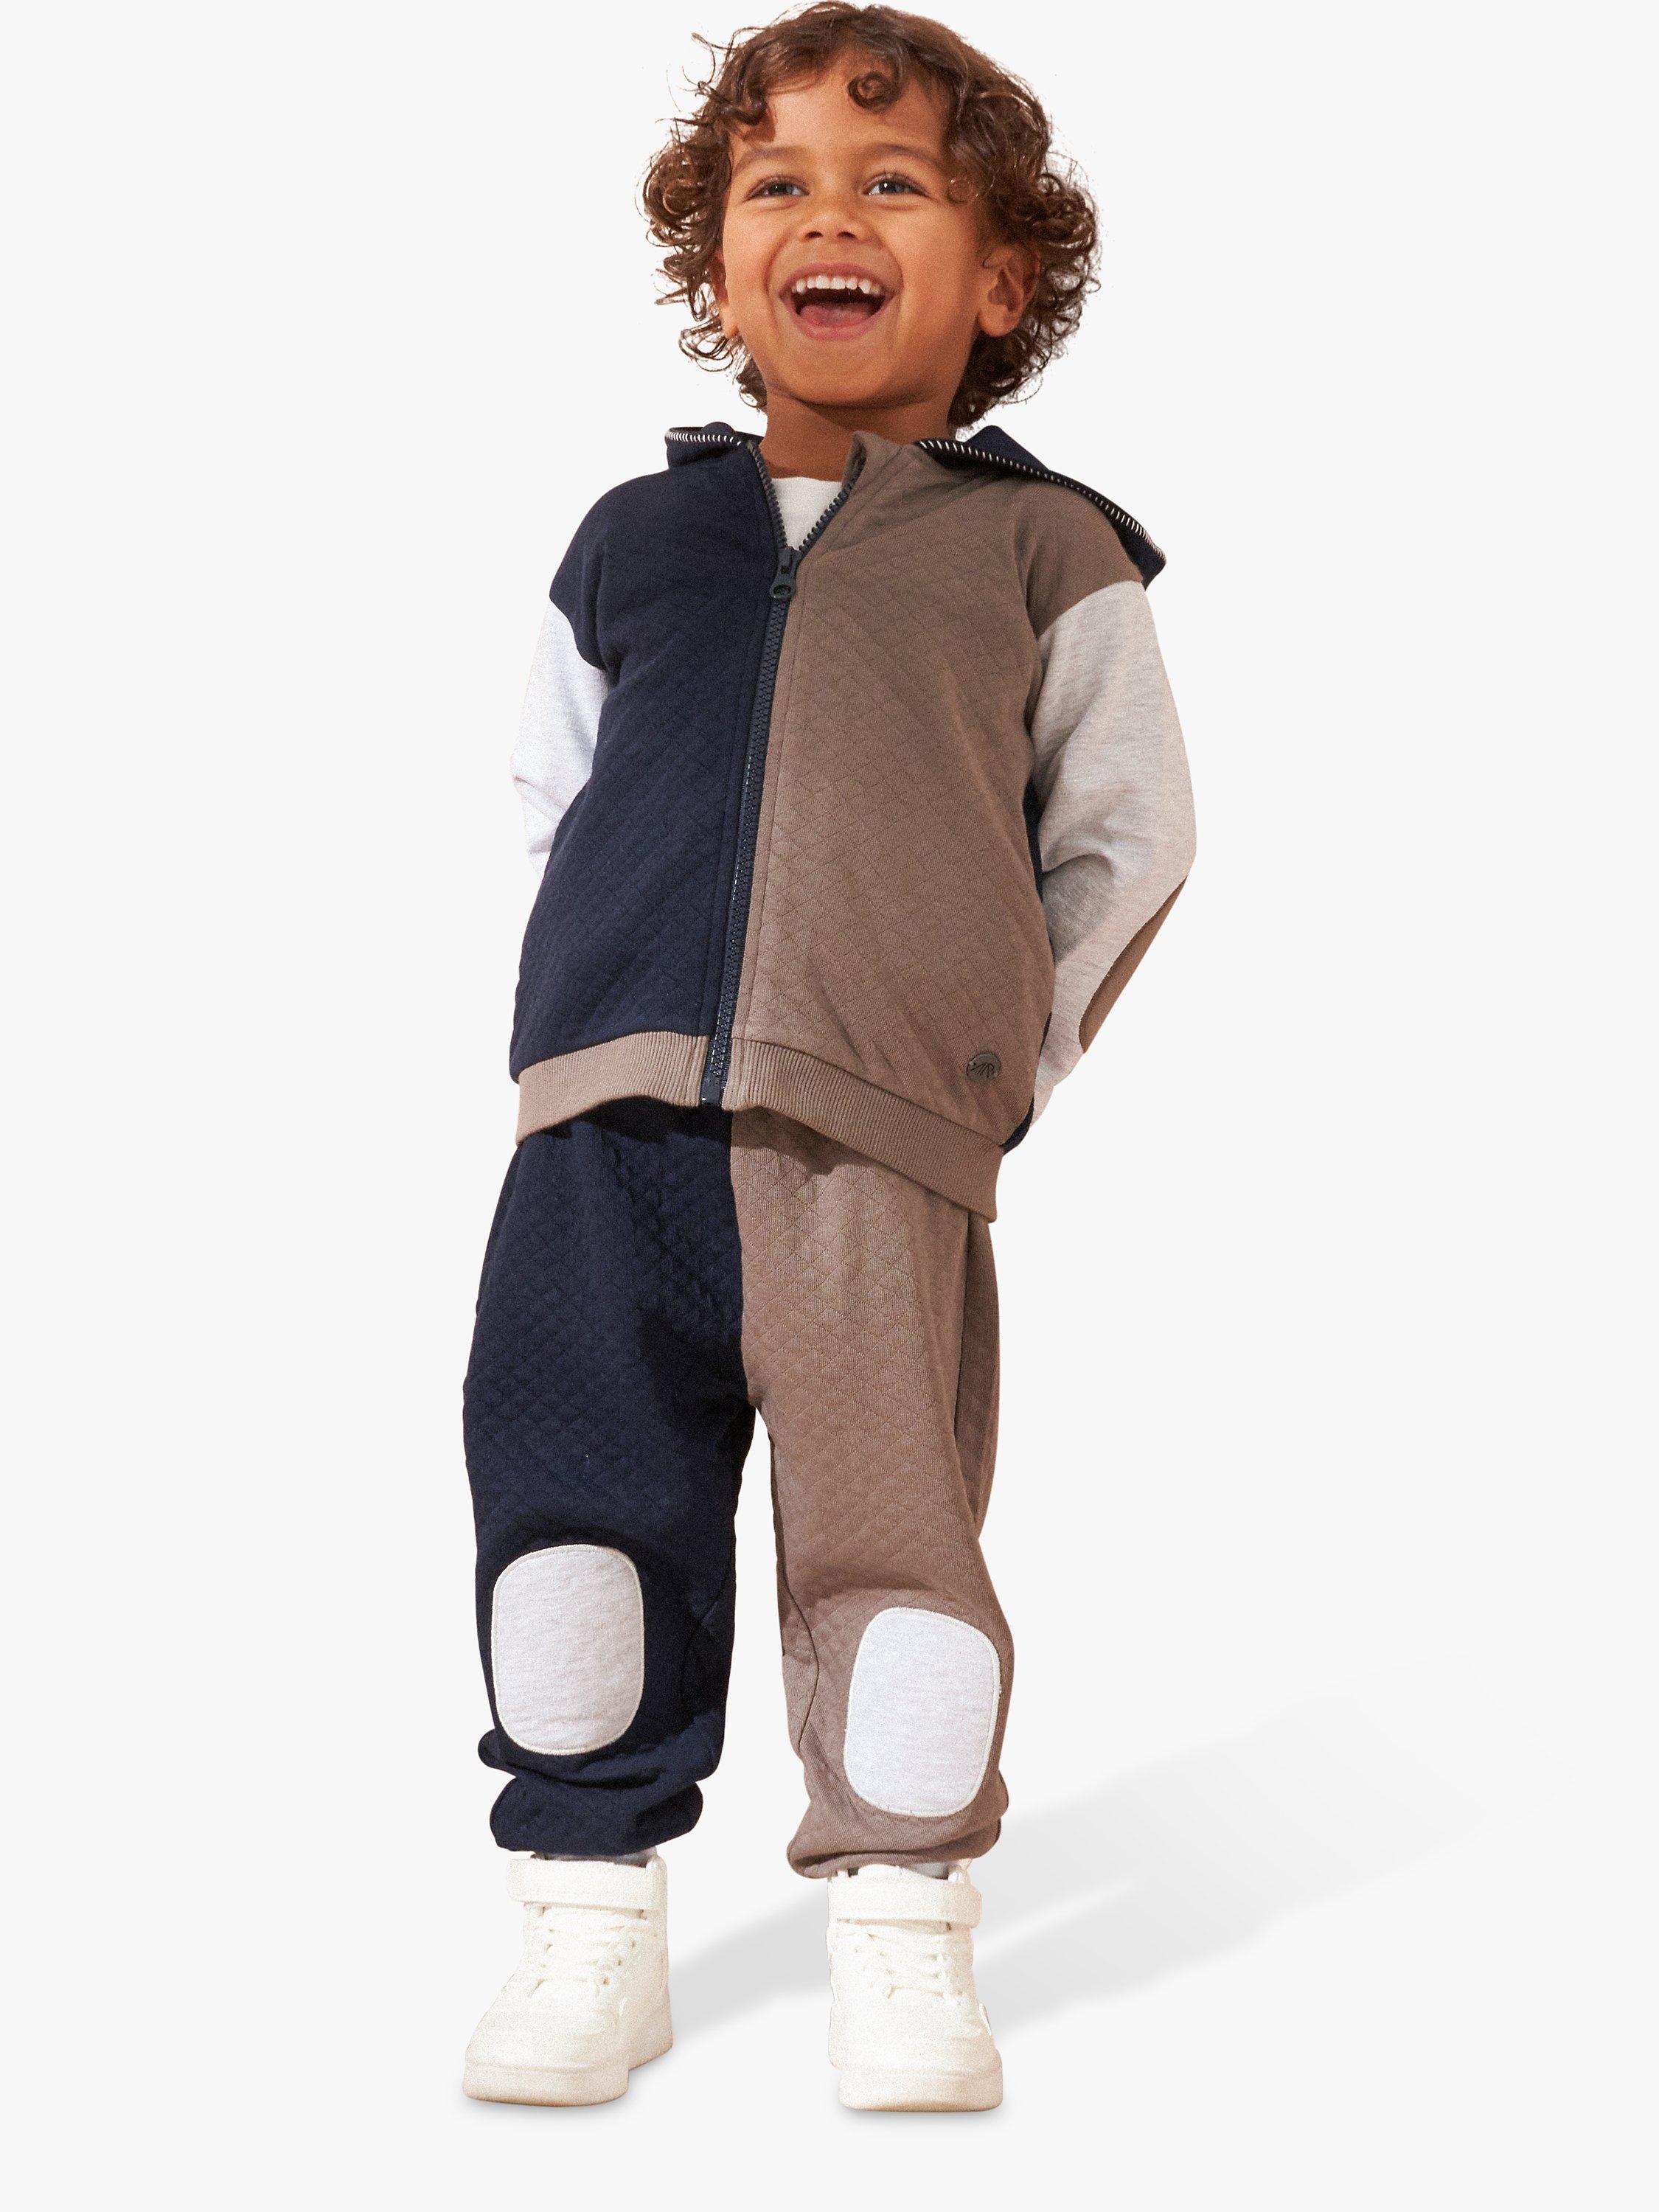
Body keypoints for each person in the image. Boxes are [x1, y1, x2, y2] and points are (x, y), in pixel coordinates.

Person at [461, 1, 1195, 2111]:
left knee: (895, 1548)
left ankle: (901, 1935)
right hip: (603, 1138)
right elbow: (551, 803)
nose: (828, 215)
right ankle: (587, 1926)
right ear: (717, 267)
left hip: (881, 1143)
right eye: (774, 184)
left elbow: (1129, 837)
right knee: (572, 1530)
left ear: (1002, 279)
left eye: (892, 183)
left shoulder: (1043, 547)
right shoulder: (632, 537)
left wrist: (986, 1065)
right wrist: (581, 1019)